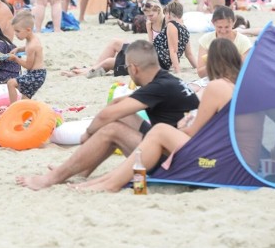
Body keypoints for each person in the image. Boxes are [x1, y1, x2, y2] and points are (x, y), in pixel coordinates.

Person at [16, 40, 200, 190]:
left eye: (127, 68)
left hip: (174, 161)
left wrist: (87, 135)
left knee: (111, 130)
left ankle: (51, 178)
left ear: (134, 68)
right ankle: (82, 170)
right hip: (180, 148)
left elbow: (106, 116)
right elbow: (116, 106)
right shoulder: (167, 81)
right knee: (121, 117)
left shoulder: (159, 87)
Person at [73, 38, 241, 192]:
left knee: (159, 130)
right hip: (228, 158)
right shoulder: (236, 87)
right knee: (151, 130)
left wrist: (181, 128)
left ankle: (108, 183)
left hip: (212, 162)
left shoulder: (216, 87)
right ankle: (95, 178)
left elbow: (194, 134)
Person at [62, 0, 164, 78]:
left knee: (109, 62)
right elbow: (151, 44)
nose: (149, 18)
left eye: (151, 15)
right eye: (147, 16)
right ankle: (91, 68)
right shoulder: (149, 23)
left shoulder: (167, 25)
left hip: (152, 61)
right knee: (114, 42)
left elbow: (171, 50)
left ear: (159, 10)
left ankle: (82, 74)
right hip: (147, 54)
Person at [7, 11, 46, 102]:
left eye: (18, 31)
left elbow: (28, 65)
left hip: (36, 75)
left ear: (28, 30)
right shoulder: (32, 39)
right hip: (38, 74)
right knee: (25, 99)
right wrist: (19, 49)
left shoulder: (32, 46)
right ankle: (24, 111)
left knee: (11, 83)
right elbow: (27, 48)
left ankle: (13, 108)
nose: (16, 34)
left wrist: (15, 59)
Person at [152, 1, 196, 74]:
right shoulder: (185, 29)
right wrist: (197, 67)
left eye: (165, 14)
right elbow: (189, 54)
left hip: (153, 60)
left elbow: (173, 51)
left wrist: (177, 71)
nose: (164, 17)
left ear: (168, 14)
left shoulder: (171, 25)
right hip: (160, 63)